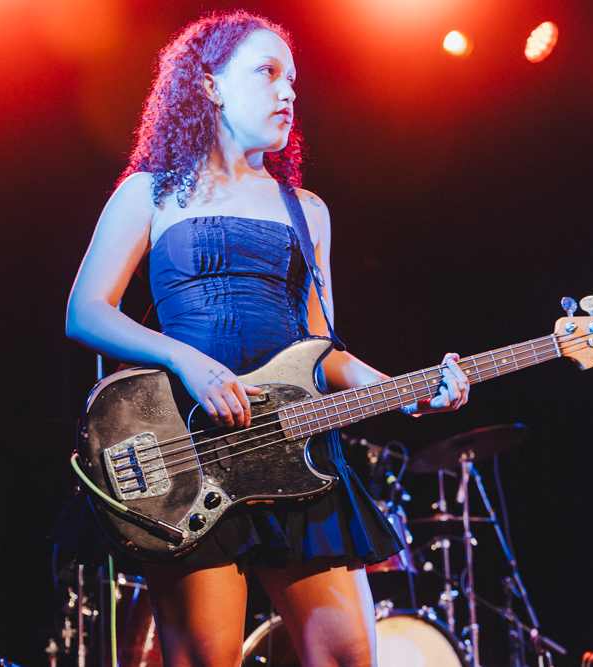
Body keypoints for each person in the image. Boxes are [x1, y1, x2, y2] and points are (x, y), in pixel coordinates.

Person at [64, 9, 470, 667]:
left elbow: (323, 348)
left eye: (294, 80)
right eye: (269, 72)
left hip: (299, 451)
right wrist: (187, 360)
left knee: (347, 657)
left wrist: (406, 391)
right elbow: (85, 310)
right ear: (212, 85)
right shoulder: (150, 192)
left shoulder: (306, 209)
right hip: (189, 450)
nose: (288, 92)